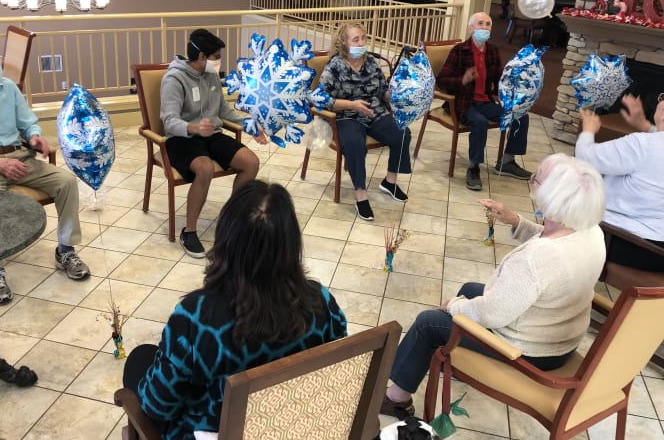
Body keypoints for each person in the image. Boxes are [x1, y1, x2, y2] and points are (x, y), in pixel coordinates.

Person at [380, 153, 606, 419]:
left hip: (532, 350)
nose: (532, 182)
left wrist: (454, 306)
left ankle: (397, 399)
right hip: (559, 337)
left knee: (429, 322)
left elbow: (493, 314)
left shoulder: (536, 258)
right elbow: (555, 246)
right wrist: (515, 221)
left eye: (537, 179)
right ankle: (446, 357)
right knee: (471, 288)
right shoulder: (591, 231)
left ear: (554, 198)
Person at [122, 180, 347, 439]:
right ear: (290, 242)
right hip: (294, 425)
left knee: (140, 360)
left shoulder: (194, 317)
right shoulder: (321, 301)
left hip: (215, 431)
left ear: (225, 238)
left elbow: (158, 406)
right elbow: (334, 373)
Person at [0, 42, 89, 304]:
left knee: (66, 182)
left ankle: (66, 250)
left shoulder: (8, 88)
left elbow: (28, 123)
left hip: (19, 159)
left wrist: (35, 138)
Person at [160, 28, 265, 258]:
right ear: (201, 56)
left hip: (211, 135)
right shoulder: (173, 79)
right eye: (216, 56)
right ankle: (189, 231)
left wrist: (249, 124)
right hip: (182, 138)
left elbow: (223, 109)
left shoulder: (210, 75)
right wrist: (194, 127)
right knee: (204, 168)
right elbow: (169, 121)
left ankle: (232, 218)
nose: (219, 61)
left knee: (251, 162)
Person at [319, 22, 412, 221]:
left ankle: (389, 181)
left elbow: (382, 90)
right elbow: (322, 99)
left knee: (402, 132)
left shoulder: (370, 62)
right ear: (344, 42)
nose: (361, 42)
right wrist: (352, 105)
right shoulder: (334, 66)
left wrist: (395, 97)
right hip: (346, 115)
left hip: (373, 111)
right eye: (356, 39)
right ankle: (361, 195)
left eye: (363, 38)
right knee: (354, 144)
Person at [437, 12, 532, 191]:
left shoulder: (493, 51)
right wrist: (463, 80)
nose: (484, 27)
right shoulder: (459, 51)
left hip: (485, 101)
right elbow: (442, 81)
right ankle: (473, 168)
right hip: (462, 103)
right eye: (480, 24)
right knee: (479, 122)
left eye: (488, 24)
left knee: (520, 116)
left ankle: (507, 162)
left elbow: (499, 80)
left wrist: (513, 84)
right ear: (471, 28)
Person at [576, 93, 664, 271]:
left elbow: (586, 158)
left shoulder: (643, 145)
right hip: (658, 250)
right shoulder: (650, 144)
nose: (659, 101)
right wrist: (644, 125)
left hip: (627, 242)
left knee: (560, 210)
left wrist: (588, 130)